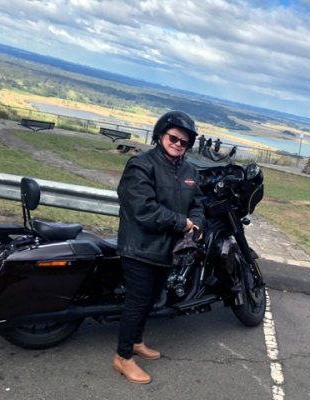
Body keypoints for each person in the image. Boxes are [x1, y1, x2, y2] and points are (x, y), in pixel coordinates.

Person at [114, 110, 205, 384]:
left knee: (151, 300)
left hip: (168, 251)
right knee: (137, 302)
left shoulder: (189, 171)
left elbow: (198, 204)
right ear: (160, 135)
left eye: (184, 141)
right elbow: (143, 209)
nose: (178, 144)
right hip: (139, 248)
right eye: (173, 137)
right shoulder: (141, 164)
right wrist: (182, 223)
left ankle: (137, 342)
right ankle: (122, 357)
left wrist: (197, 224)